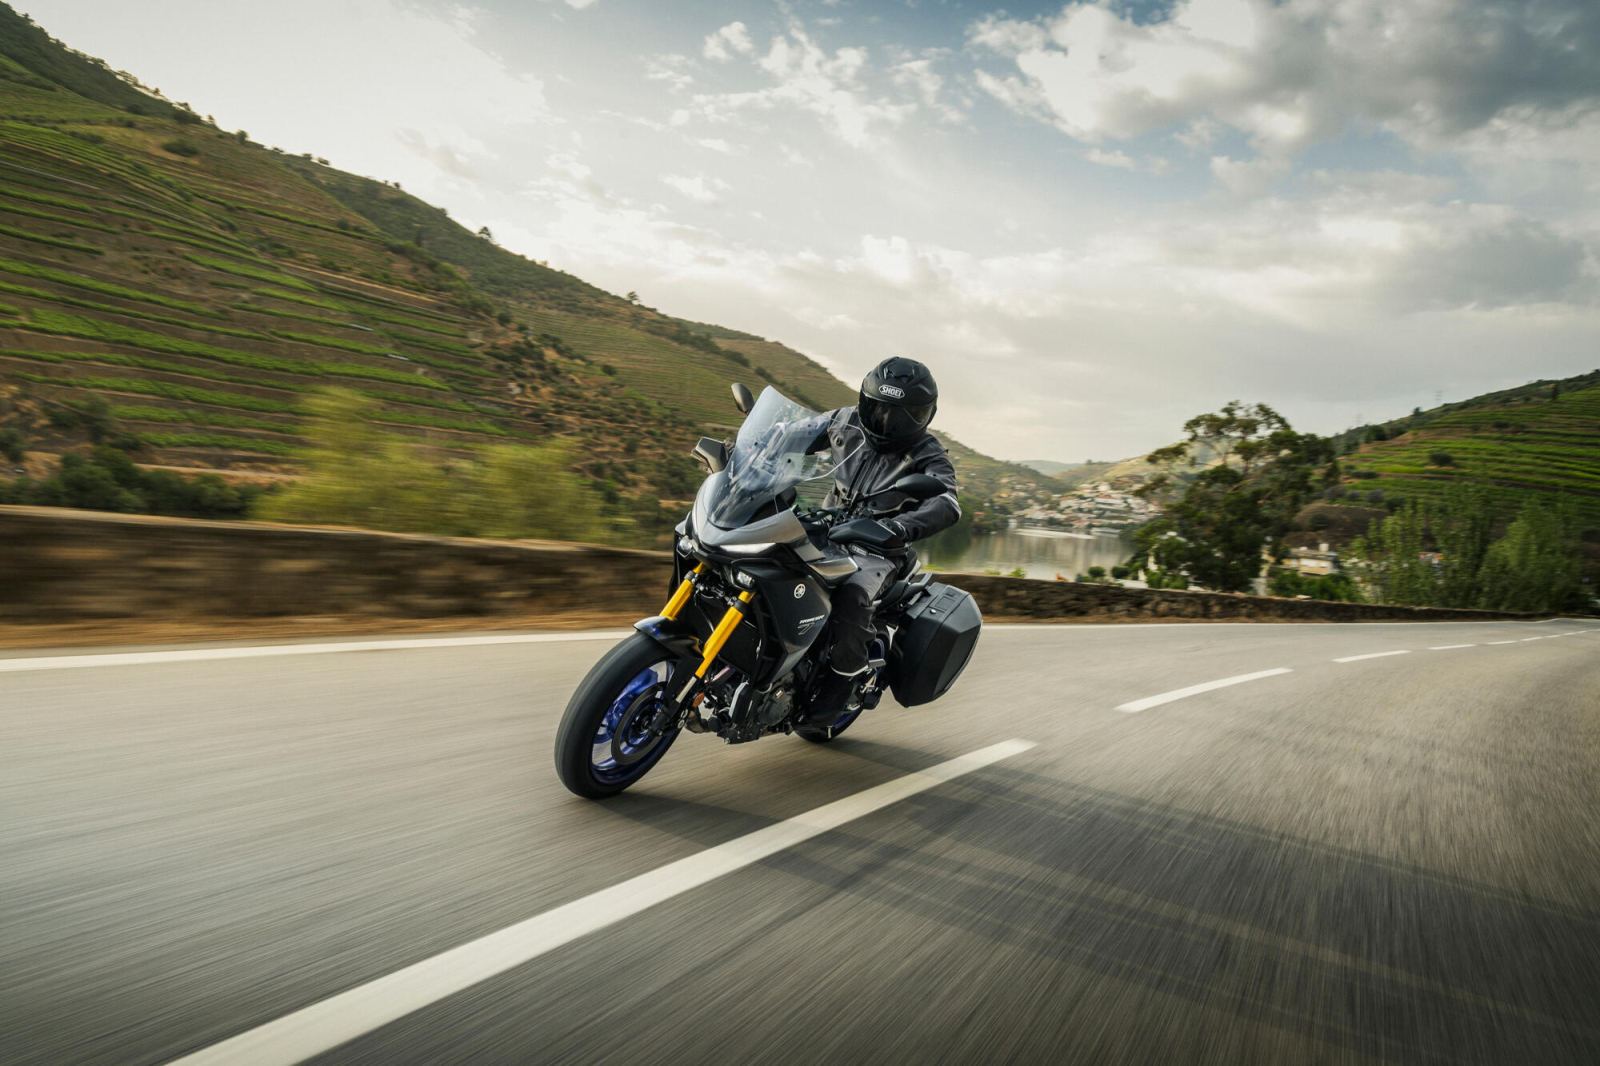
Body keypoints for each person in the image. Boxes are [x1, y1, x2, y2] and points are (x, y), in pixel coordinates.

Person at [804, 357, 959, 726]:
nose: (887, 422)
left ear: (924, 416)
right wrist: (747, 449)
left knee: (852, 594)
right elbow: (789, 434)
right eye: (879, 409)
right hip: (827, 528)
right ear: (865, 401)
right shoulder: (843, 422)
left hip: (878, 549)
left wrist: (899, 528)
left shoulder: (928, 452)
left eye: (902, 416)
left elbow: (947, 502)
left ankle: (841, 681)